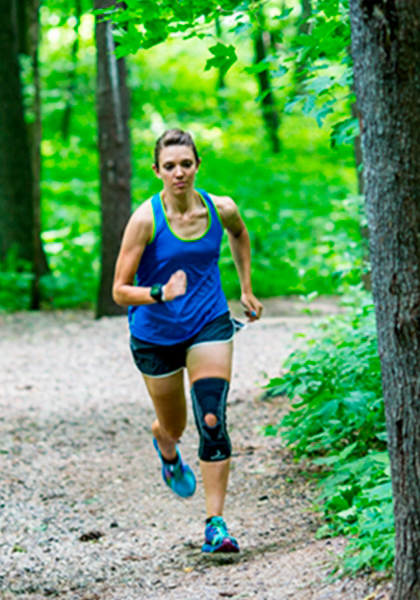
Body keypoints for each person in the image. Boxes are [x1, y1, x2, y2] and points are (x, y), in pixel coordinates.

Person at [111, 128, 263, 554]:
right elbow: (119, 291)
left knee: (211, 417)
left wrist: (245, 287)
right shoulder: (145, 220)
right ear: (157, 170)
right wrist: (161, 292)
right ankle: (165, 444)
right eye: (170, 166)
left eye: (186, 164)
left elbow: (238, 234)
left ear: (197, 166)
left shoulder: (220, 208)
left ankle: (215, 524)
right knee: (175, 426)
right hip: (155, 335)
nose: (179, 172)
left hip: (208, 323)